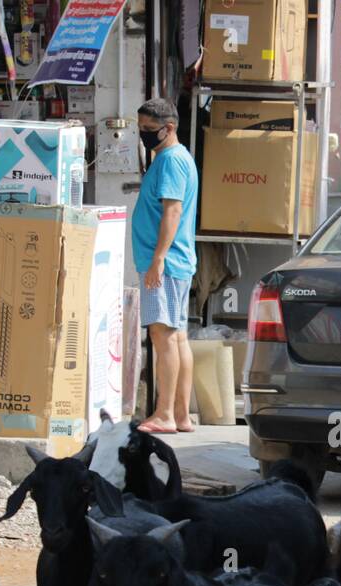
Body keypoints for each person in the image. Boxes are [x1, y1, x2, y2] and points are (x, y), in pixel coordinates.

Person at [132, 98, 199, 434]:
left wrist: (157, 258)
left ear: (168, 128)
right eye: (140, 129)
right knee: (178, 337)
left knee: (163, 336)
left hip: (165, 264)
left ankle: (164, 415)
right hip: (174, 261)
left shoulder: (171, 161)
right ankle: (182, 414)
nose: (143, 136)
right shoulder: (175, 158)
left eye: (148, 130)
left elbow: (172, 212)